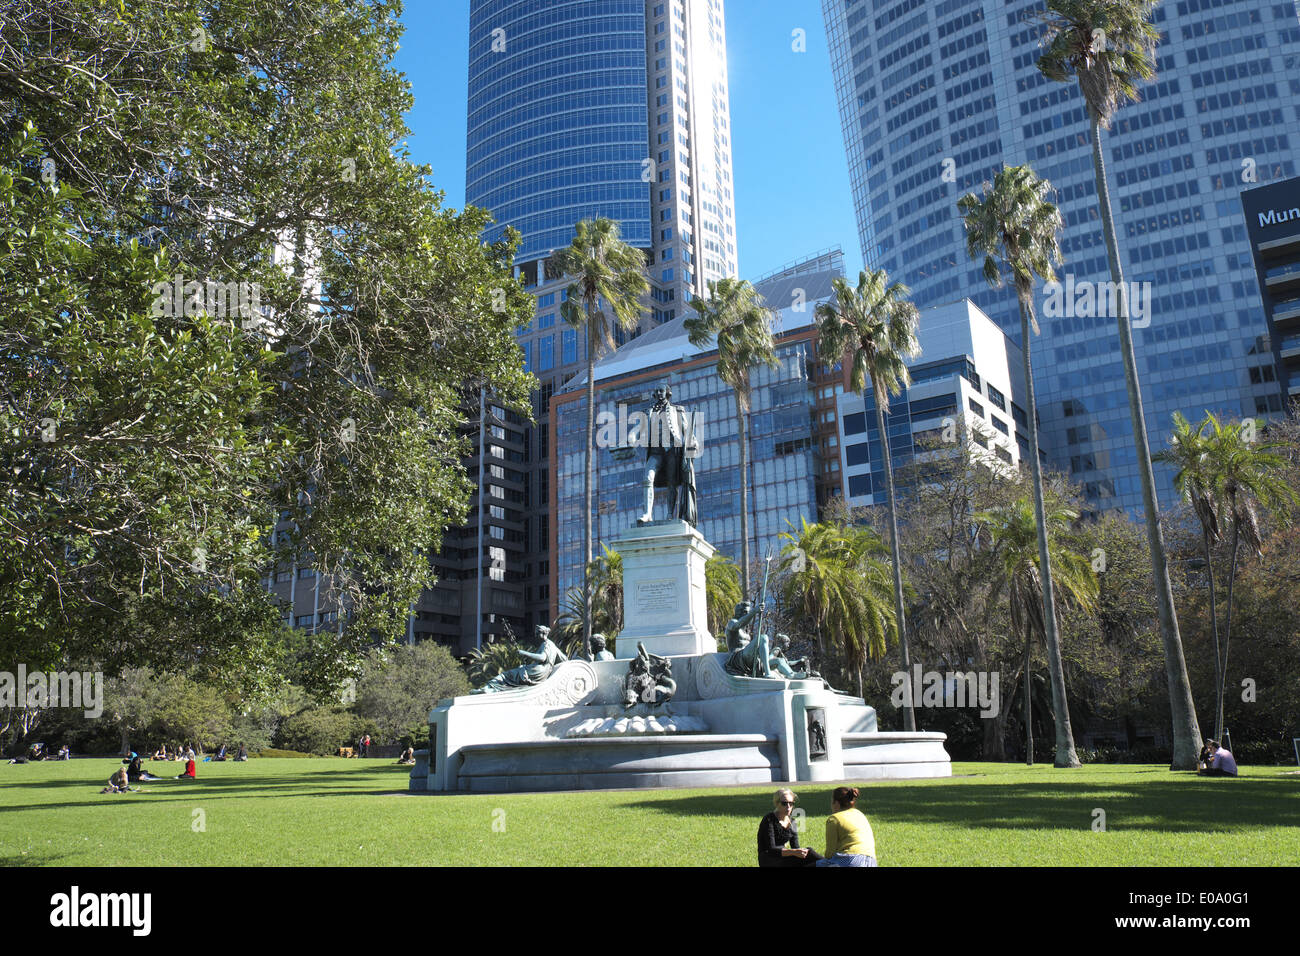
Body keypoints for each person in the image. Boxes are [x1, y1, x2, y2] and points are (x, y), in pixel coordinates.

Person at [757, 789, 821, 867]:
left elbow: (795, 847)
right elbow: (771, 850)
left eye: (791, 803)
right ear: (777, 804)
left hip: (784, 857)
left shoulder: (792, 821)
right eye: (784, 803)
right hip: (769, 860)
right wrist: (793, 852)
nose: (788, 807)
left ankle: (830, 863)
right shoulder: (769, 819)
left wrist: (798, 852)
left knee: (809, 852)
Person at [816, 786, 878, 867]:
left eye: (832, 802)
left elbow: (829, 854)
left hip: (850, 860)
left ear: (837, 803)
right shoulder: (860, 814)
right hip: (871, 862)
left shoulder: (834, 818)